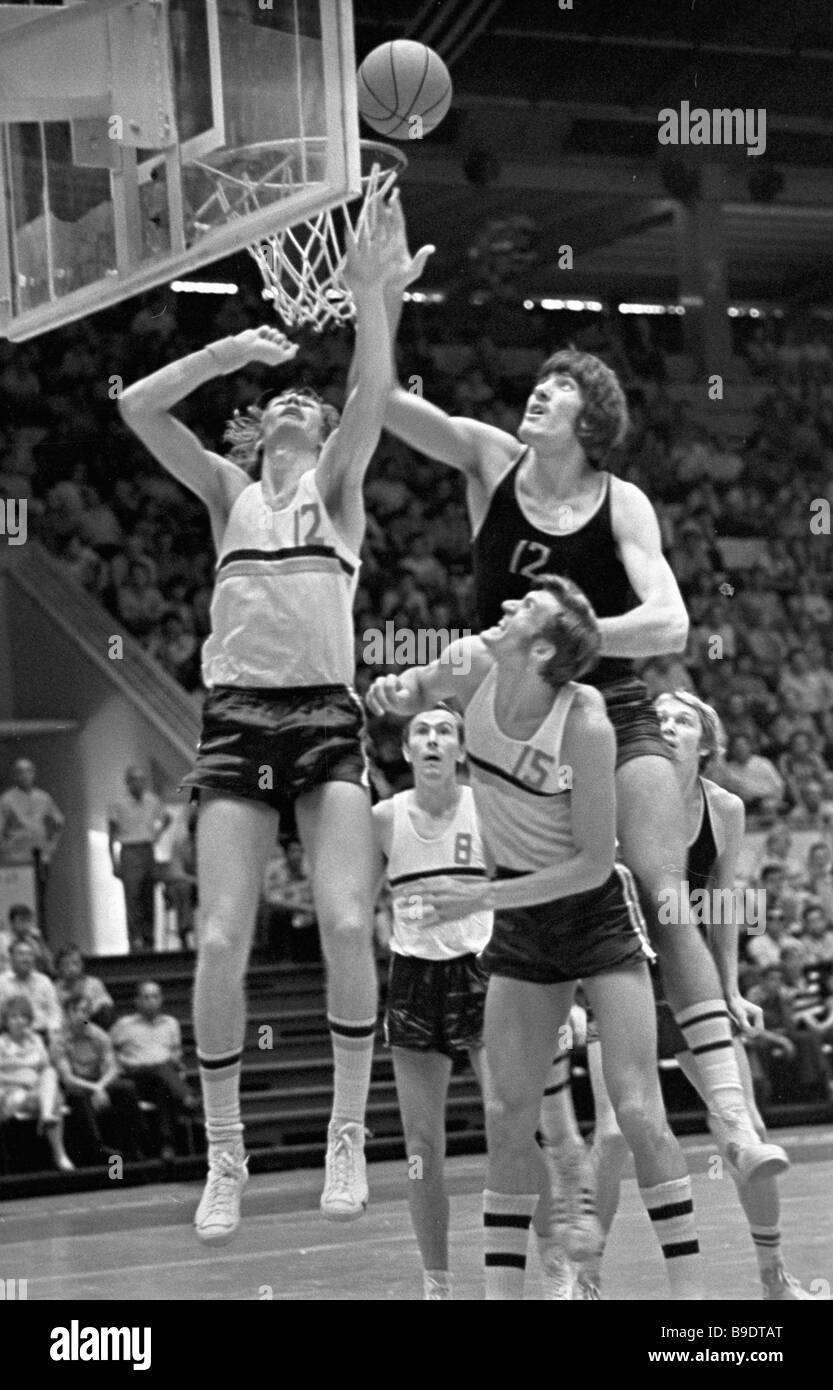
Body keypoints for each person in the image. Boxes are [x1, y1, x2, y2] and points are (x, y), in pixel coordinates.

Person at [378, 207, 782, 1196]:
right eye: (536, 385)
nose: (534, 397)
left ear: (588, 419)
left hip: (606, 704)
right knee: (533, 915)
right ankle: (547, 1170)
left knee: (657, 886)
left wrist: (577, 630)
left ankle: (729, 1113)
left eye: (553, 391)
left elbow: (673, 622)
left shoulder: (621, 501)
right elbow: (381, 401)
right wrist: (375, 297)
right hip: (514, 723)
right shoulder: (485, 460)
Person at [118, 190, 413, 1243]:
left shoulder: (335, 489)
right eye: (278, 395)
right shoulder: (225, 491)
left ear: (320, 430)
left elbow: (371, 388)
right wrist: (219, 355)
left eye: (305, 398)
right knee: (216, 939)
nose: (292, 399)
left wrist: (371, 296)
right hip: (237, 718)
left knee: (343, 921)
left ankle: (345, 1130)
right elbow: (138, 410)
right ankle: (225, 1153)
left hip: (326, 717)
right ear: (260, 421)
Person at [368, 577, 705, 1302]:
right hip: (522, 925)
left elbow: (589, 861)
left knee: (639, 1111)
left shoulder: (583, 720)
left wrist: (479, 895)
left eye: (524, 611)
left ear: (544, 648)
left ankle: (693, 1309)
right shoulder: (469, 664)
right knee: (504, 1117)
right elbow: (413, 686)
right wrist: (394, 691)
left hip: (590, 915)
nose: (504, 608)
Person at [583, 693, 811, 1301]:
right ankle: (582, 1279)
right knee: (611, 1135)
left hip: (691, 978)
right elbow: (589, 897)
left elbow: (724, 903)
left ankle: (774, 1279)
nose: (667, 726)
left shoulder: (726, 809)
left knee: (748, 1132)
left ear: (707, 744)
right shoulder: (615, 793)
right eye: (657, 718)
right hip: (623, 970)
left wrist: (732, 987)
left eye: (683, 719)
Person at [371, 703, 493, 1301]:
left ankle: (558, 1271)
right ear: (406, 749)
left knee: (513, 1124)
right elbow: (350, 901)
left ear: (463, 750)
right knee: (422, 1146)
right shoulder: (382, 819)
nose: (434, 739)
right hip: (414, 979)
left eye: (446, 730)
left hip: (486, 973)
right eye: (421, 731)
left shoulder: (488, 805)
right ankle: (437, 1283)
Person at [110, 981, 196, 1163]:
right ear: (137, 1001)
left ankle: (167, 1144)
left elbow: (176, 1052)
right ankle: (187, 1096)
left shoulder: (170, 1023)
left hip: (162, 1078)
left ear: (161, 1000)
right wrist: (121, 1063)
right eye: (146, 997)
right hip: (135, 1076)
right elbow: (109, 1050)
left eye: (155, 996)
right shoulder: (124, 1024)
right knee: (161, 1070)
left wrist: (175, 1060)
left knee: (163, 1082)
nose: (151, 1001)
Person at [56, 994, 146, 1163]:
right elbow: (67, 1078)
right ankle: (99, 1148)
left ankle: (134, 1145)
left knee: (126, 1087)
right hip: (76, 1087)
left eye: (85, 1011)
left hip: (98, 1082)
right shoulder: (59, 1040)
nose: (81, 1015)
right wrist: (95, 1088)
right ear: (67, 1014)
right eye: (76, 1011)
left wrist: (100, 1086)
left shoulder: (99, 1035)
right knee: (79, 1096)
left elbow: (112, 1068)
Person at [0, 994, 73, 1171]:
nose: (19, 1021)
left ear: (29, 1020)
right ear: (6, 1021)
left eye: (23, 1017)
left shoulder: (36, 1040)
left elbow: (46, 1068)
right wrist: (23, 1080)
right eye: (14, 1017)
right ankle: (59, 1154)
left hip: (36, 1095)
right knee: (48, 1098)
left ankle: (47, 1115)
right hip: (10, 1095)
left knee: (49, 1073)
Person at [107, 767, 171, 953]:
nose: (139, 784)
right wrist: (113, 861)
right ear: (128, 782)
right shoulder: (117, 803)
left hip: (147, 849)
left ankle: (149, 937)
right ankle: (134, 938)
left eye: (142, 780)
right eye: (135, 780)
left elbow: (167, 818)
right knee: (132, 896)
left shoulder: (152, 800)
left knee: (148, 894)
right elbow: (111, 834)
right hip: (128, 850)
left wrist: (156, 834)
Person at [0, 757, 65, 928]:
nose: (25, 775)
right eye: (20, 772)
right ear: (14, 776)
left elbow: (58, 823)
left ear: (34, 774)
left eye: (28, 771)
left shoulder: (43, 797)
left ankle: (39, 939)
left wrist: (50, 849)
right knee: (18, 899)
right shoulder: (7, 799)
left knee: (40, 900)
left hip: (39, 857)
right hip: (16, 858)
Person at [0, 938, 63, 1045]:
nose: (26, 958)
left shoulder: (44, 981)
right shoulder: (2, 982)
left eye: (29, 954)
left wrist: (54, 1032)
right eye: (21, 954)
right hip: (12, 1036)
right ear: (11, 958)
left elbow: (54, 1011)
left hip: (43, 1035)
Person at [54, 945, 116, 1030]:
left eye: (75, 963)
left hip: (91, 1023)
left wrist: (84, 1013)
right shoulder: (56, 988)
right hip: (67, 1026)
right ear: (59, 968)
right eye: (66, 965)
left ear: (82, 964)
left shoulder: (93, 983)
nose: (71, 969)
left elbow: (106, 1006)